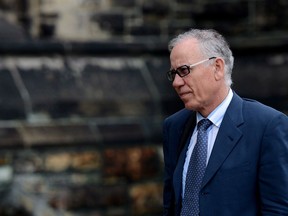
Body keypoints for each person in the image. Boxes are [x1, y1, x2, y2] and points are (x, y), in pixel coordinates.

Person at [162, 29, 288, 216]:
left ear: (217, 68)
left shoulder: (267, 126)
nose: (176, 83)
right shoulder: (174, 126)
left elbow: (278, 209)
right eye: (173, 74)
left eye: (184, 70)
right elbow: (171, 204)